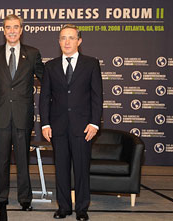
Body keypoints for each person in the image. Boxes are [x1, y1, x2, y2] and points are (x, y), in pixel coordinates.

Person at [39, 24, 103, 221]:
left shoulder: (91, 64)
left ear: (79, 41)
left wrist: (94, 123)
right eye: (63, 38)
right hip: (58, 127)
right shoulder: (50, 66)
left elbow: (96, 96)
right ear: (59, 42)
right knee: (61, 169)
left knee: (82, 169)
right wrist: (45, 124)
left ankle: (82, 208)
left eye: (71, 38)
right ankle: (64, 207)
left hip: (83, 128)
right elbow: (44, 97)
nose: (66, 41)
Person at [0, 14, 44, 211]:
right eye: (8, 27)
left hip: (22, 116)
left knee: (23, 161)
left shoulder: (33, 53)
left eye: (15, 27)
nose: (12, 30)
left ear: (21, 30)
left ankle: (25, 199)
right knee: (1, 161)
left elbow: (47, 81)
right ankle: (1, 197)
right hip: (0, 117)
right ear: (3, 30)